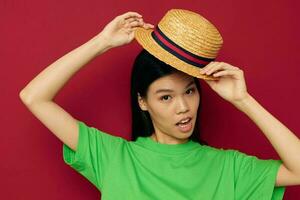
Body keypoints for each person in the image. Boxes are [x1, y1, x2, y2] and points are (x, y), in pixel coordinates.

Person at [19, 9, 300, 200]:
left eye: (189, 91)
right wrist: (102, 42)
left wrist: (244, 100)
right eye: (166, 97)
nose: (183, 107)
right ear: (142, 101)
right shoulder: (112, 157)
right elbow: (34, 97)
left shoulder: (229, 167)